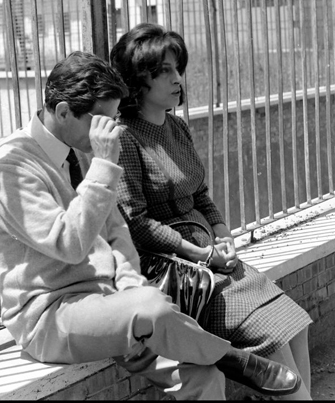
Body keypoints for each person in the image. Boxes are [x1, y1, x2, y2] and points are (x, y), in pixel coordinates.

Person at [0, 50, 302, 400]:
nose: (111, 133)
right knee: (154, 308)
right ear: (63, 112)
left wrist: (130, 284)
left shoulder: (83, 149)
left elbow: (117, 231)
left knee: (201, 374)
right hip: (52, 315)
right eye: (102, 122)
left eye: (114, 121)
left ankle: (213, 358)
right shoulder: (9, 166)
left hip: (114, 305)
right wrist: (103, 164)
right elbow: (68, 243)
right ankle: (232, 358)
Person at [110, 24, 314, 400]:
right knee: (272, 339)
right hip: (177, 271)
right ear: (138, 81)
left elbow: (200, 193)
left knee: (294, 324)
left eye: (177, 68)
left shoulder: (177, 126)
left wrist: (223, 235)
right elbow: (135, 223)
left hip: (211, 258)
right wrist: (202, 254)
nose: (177, 78)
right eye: (164, 71)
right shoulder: (125, 137)